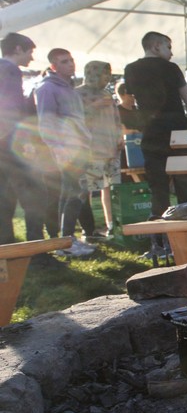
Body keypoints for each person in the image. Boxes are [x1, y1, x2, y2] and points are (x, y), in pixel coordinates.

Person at [124, 32, 187, 258]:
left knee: (158, 191)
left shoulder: (131, 70)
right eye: (168, 46)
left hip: (152, 134)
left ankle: (159, 245)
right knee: (185, 189)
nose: (171, 52)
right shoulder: (172, 68)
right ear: (156, 46)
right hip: (177, 133)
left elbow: (128, 105)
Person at [35, 48, 96, 258]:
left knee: (74, 194)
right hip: (65, 150)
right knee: (72, 193)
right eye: (63, 61)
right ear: (53, 66)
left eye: (71, 60)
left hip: (80, 147)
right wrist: (58, 149)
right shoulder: (47, 88)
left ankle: (66, 240)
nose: (70, 64)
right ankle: (65, 242)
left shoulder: (70, 88)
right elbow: (45, 122)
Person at [0, 33, 49, 249]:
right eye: (30, 52)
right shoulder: (10, 70)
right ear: (18, 49)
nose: (32, 57)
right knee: (35, 197)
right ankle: (37, 253)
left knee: (4, 202)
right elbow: (10, 110)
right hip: (11, 145)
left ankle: (7, 253)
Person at [77, 61, 122, 240]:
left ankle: (112, 225)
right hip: (90, 150)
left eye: (109, 74)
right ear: (93, 74)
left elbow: (116, 119)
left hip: (110, 150)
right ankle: (88, 230)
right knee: (86, 189)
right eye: (104, 74)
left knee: (110, 187)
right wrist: (95, 106)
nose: (107, 77)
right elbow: (75, 118)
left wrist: (119, 136)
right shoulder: (78, 94)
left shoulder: (107, 94)